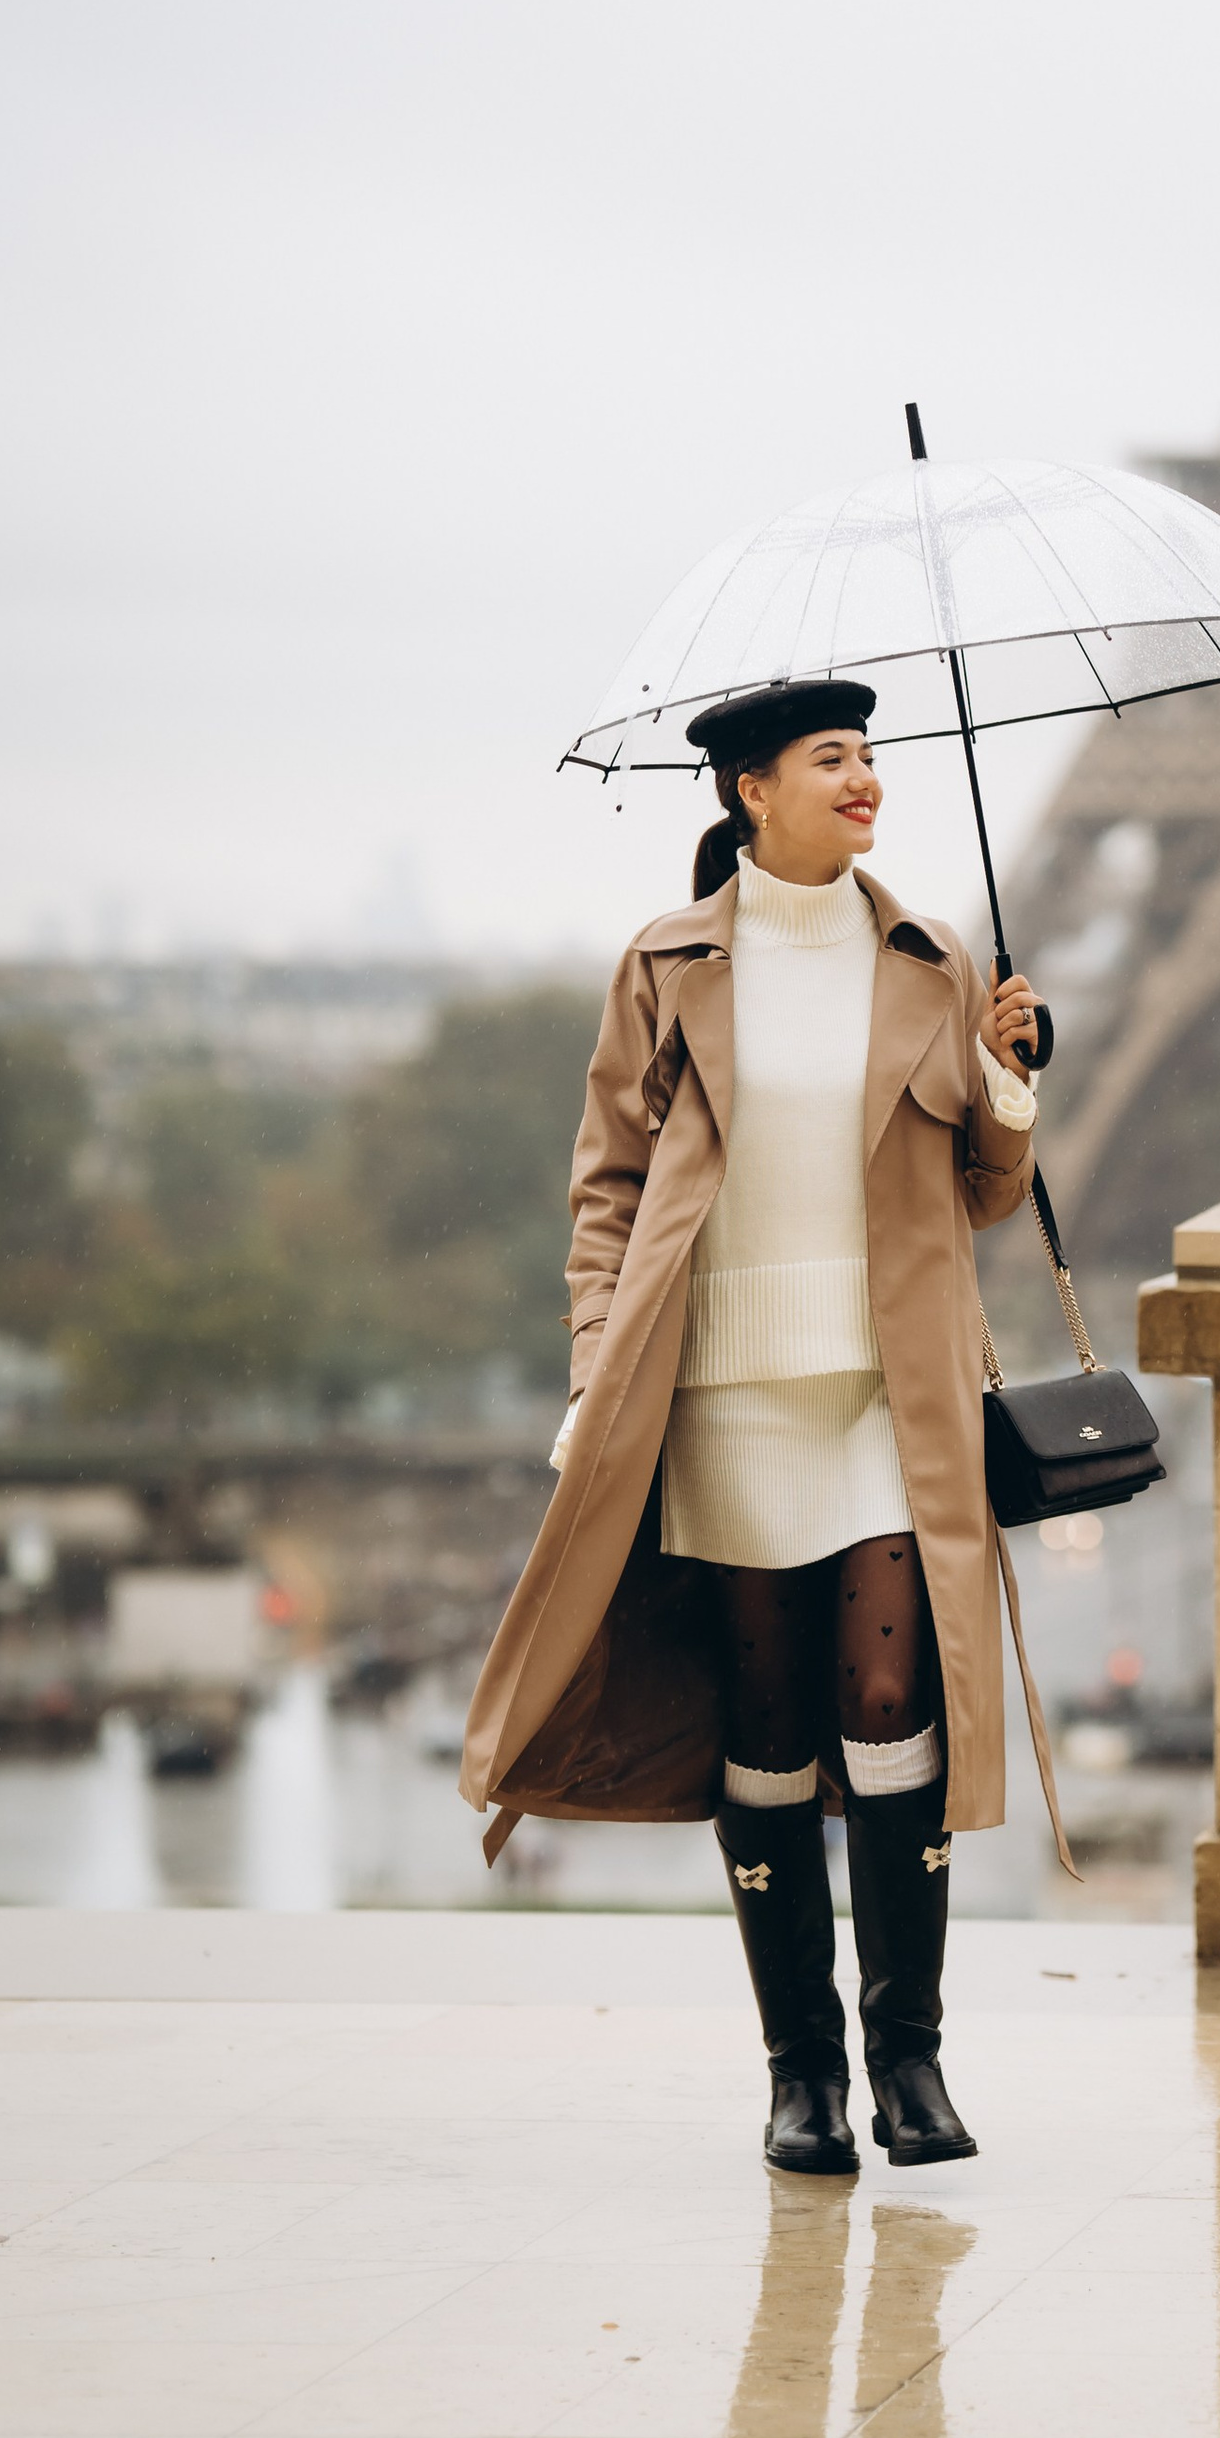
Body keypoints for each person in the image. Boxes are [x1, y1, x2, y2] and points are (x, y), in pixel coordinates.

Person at [458, 677, 1045, 2178]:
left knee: (888, 1702)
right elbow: (607, 1189)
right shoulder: (664, 965)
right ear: (746, 791)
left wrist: (1012, 1088)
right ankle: (804, 2078)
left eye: (871, 759)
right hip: (721, 1390)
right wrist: (599, 1370)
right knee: (770, 1733)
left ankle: (908, 2061)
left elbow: (978, 1193)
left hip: (882, 1396)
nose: (865, 783)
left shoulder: (928, 957)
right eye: (830, 762)